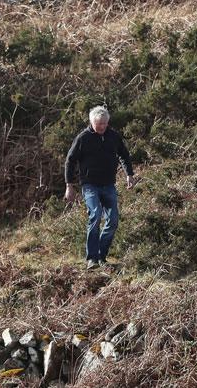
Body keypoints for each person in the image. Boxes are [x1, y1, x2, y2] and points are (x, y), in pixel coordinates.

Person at [64, 106, 135, 270]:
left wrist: (129, 174)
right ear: (91, 122)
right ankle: (91, 259)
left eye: (104, 123)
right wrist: (69, 185)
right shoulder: (83, 138)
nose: (102, 127)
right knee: (95, 214)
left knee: (113, 220)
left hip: (109, 184)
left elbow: (123, 154)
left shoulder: (113, 136)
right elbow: (70, 160)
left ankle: (101, 256)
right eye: (98, 124)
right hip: (90, 185)